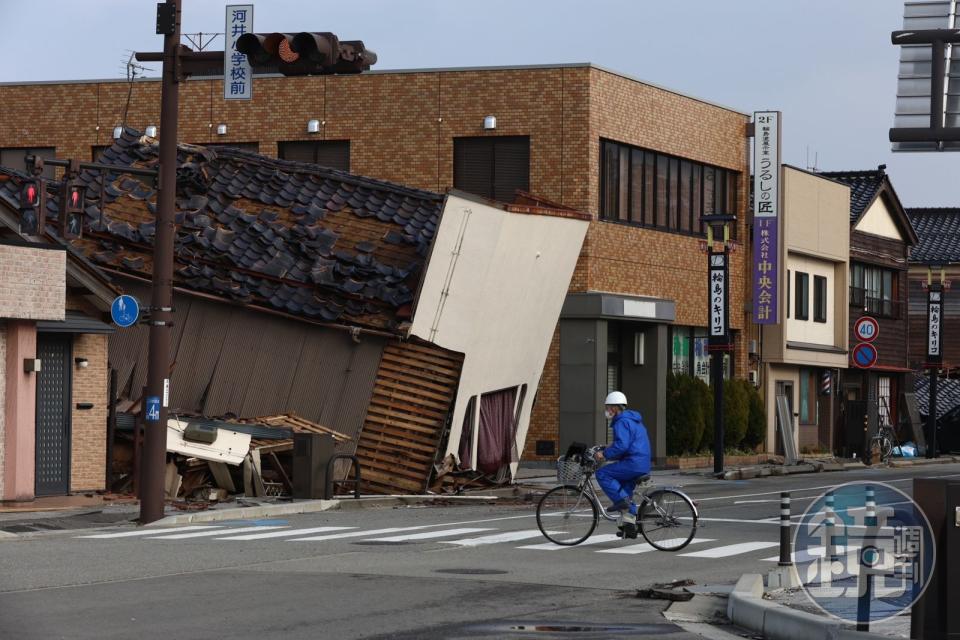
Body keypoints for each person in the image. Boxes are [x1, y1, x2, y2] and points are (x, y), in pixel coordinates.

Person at [594, 391, 651, 538]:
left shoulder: (621, 421)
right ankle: (629, 527)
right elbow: (626, 444)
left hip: (633, 463)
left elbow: (622, 445)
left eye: (607, 407)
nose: (606, 411)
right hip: (641, 462)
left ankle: (621, 502)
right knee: (624, 491)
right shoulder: (632, 420)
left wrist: (604, 454)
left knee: (602, 473)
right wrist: (608, 448)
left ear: (614, 408)